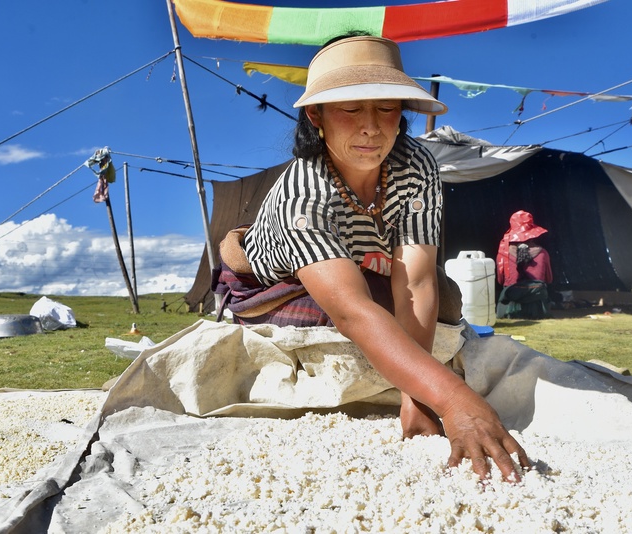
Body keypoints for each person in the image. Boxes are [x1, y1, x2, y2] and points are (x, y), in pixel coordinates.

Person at [215, 34, 529, 481]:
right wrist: (453, 399)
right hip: (281, 285)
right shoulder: (305, 193)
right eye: (350, 109)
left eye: (386, 108)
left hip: (364, 266)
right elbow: (351, 311)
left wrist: (414, 397)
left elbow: (417, 280)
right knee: (336, 320)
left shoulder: (415, 165)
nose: (371, 127)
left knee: (445, 298)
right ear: (316, 115)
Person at [496, 210, 553, 319]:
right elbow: (549, 279)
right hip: (538, 309)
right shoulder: (543, 253)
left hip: (511, 307)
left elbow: (500, 280)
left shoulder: (503, 253)